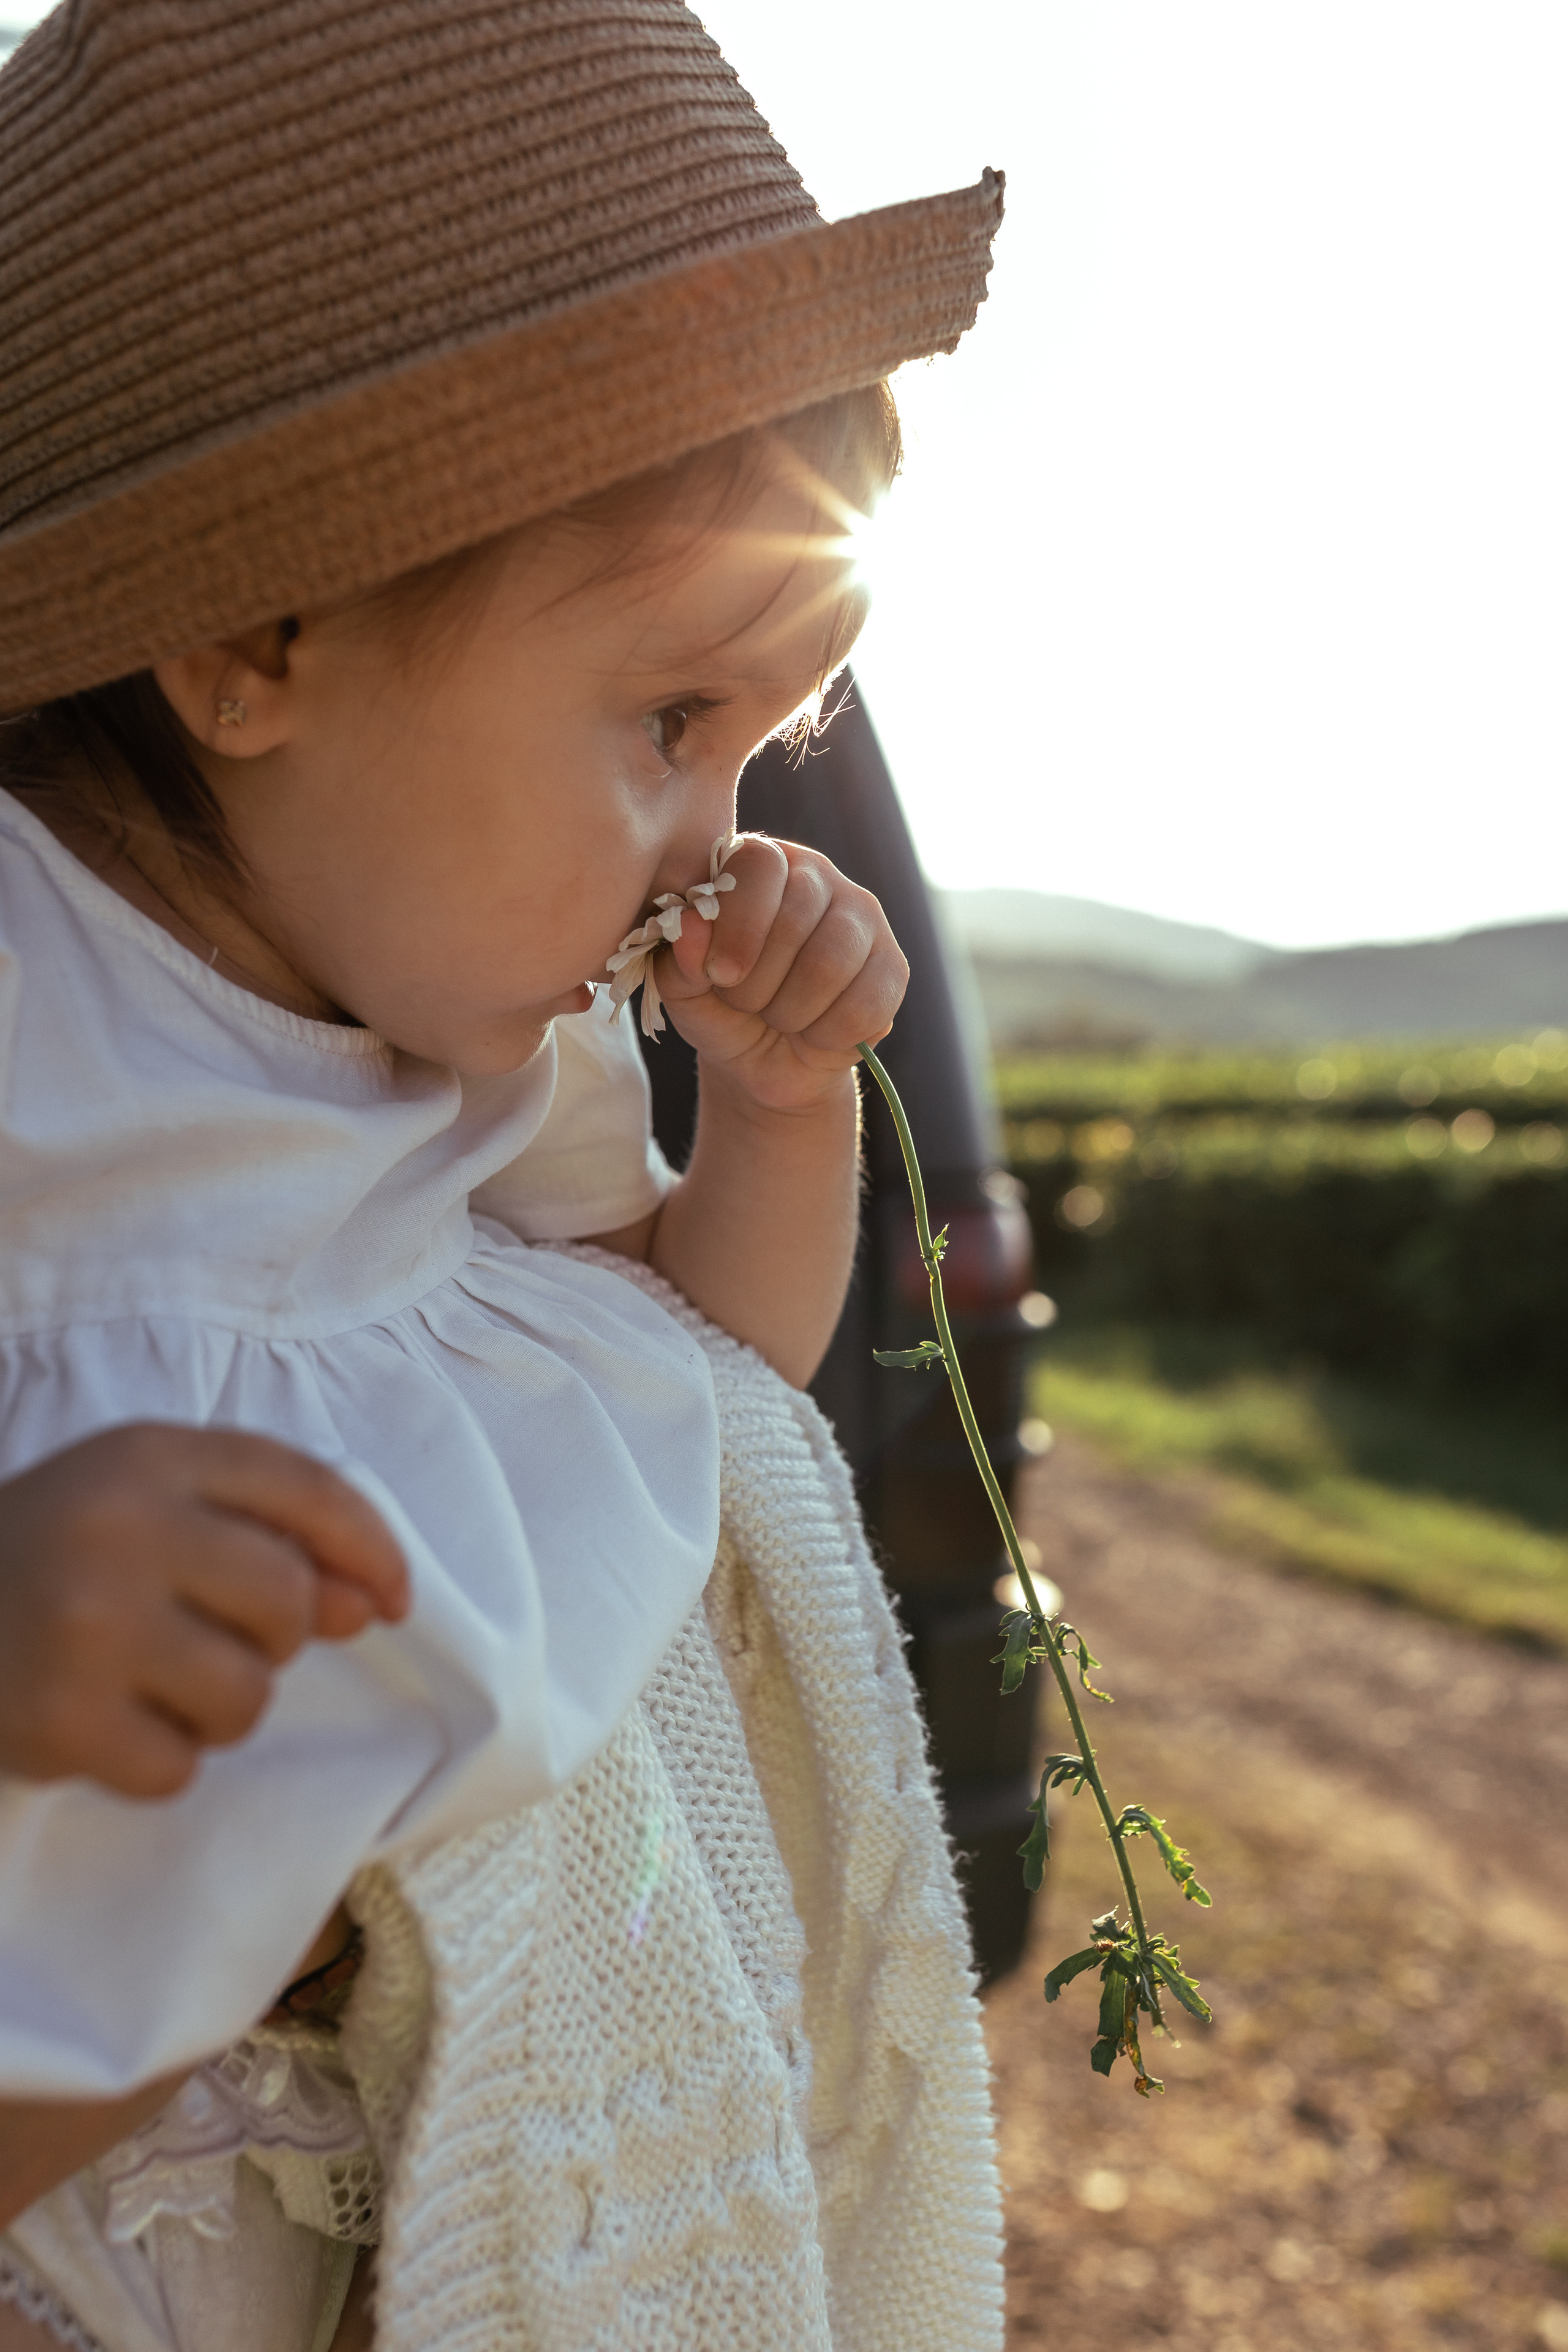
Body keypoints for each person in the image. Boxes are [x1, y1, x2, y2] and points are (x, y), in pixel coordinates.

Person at [0, 4, 1007, 2348]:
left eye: (762, 744)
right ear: (253, 636)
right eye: (670, 720)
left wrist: (775, 1110)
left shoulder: (473, 1033)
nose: (715, 844)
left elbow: (690, 1379)